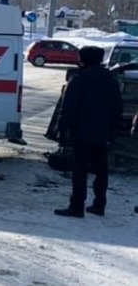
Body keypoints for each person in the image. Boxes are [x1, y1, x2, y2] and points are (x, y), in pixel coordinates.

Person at [55, 46, 124, 218]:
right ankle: (99, 204)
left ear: (83, 60)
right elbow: (117, 107)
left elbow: (68, 107)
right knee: (101, 170)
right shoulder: (111, 80)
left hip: (81, 131)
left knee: (80, 170)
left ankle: (77, 206)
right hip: (103, 132)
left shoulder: (79, 79)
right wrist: (113, 130)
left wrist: (62, 128)